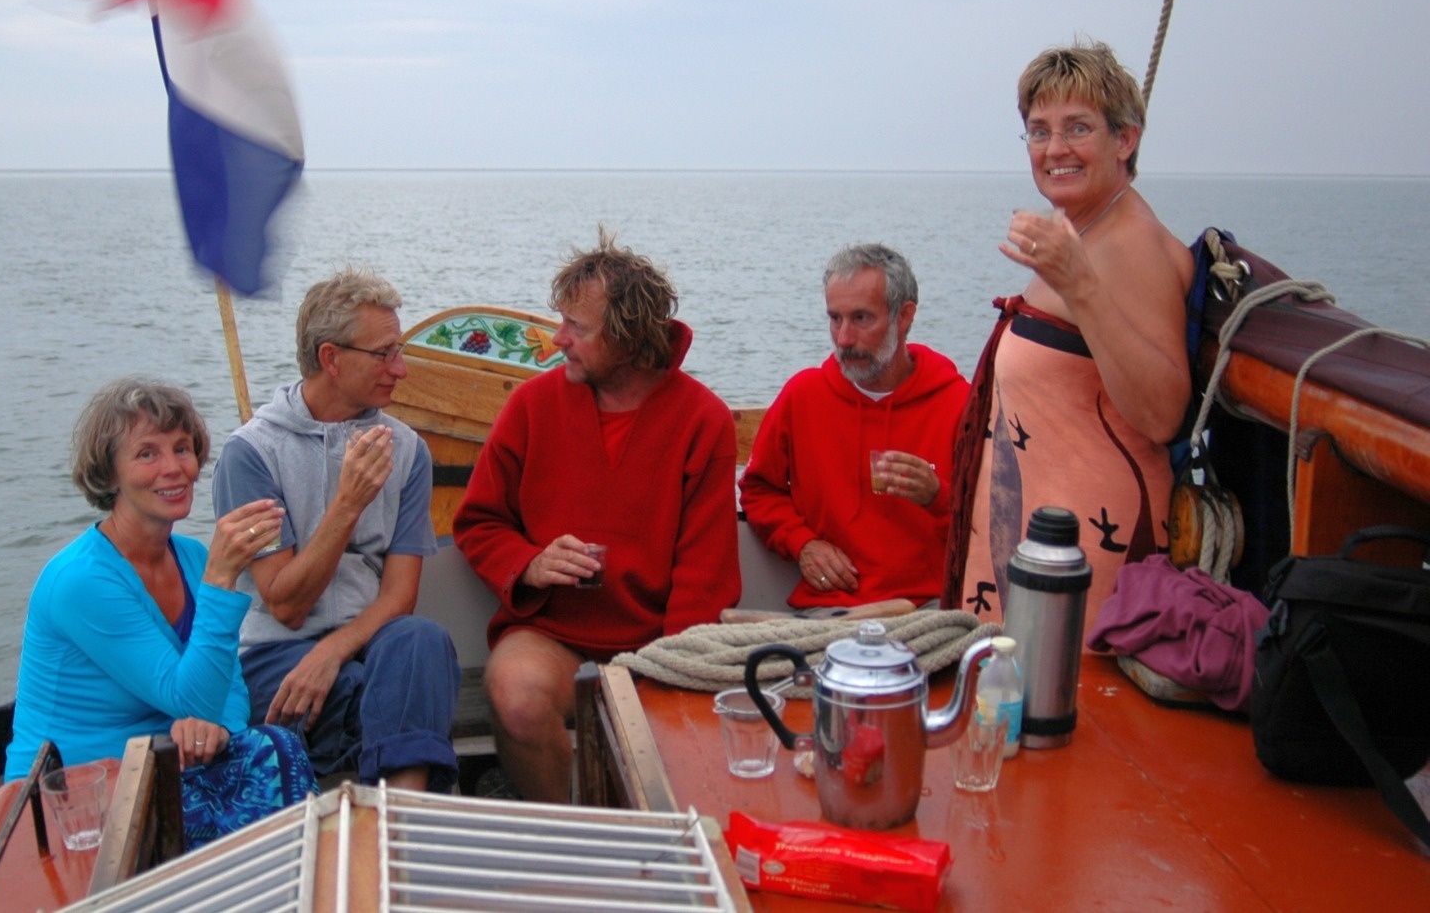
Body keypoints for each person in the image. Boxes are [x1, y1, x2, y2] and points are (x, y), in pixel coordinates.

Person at [454, 231, 741, 802]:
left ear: (630, 338)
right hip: (551, 634)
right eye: (560, 321)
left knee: (665, 727)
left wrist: (667, 673)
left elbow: (704, 575)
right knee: (515, 695)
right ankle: (574, 835)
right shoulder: (531, 406)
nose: (558, 340)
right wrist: (529, 563)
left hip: (658, 641)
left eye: (577, 328)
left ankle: (644, 831)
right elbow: (478, 522)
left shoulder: (703, 419)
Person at [948, 41, 1194, 638]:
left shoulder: (1133, 244)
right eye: (1039, 131)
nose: (1055, 149)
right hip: (1039, 551)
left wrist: (1079, 282)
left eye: (1077, 128)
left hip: (1087, 564)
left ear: (1125, 139)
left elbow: (1163, 413)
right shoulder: (1084, 227)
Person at [6, 379, 316, 849]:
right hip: (75, 803)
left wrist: (213, 729)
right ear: (110, 474)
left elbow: (230, 690)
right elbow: (186, 695)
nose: (173, 468)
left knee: (277, 745)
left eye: (182, 449)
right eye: (147, 454)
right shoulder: (81, 581)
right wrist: (221, 581)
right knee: (254, 773)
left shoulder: (190, 558)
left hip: (165, 767)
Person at [212, 266, 460, 792]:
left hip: (366, 642)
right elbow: (285, 603)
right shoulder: (251, 455)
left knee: (422, 640)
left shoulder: (407, 450)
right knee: (371, 690)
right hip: (275, 652)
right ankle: (403, 817)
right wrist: (347, 504)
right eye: (385, 353)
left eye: (401, 351)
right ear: (331, 358)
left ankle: (396, 818)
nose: (402, 369)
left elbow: (400, 596)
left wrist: (332, 650)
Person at [741, 243, 967, 608]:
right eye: (835, 319)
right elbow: (757, 489)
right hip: (829, 607)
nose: (843, 339)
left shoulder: (958, 403)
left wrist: (937, 497)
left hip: (930, 606)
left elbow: (992, 526)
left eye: (861, 318)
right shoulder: (804, 395)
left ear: (904, 316)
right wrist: (802, 543)